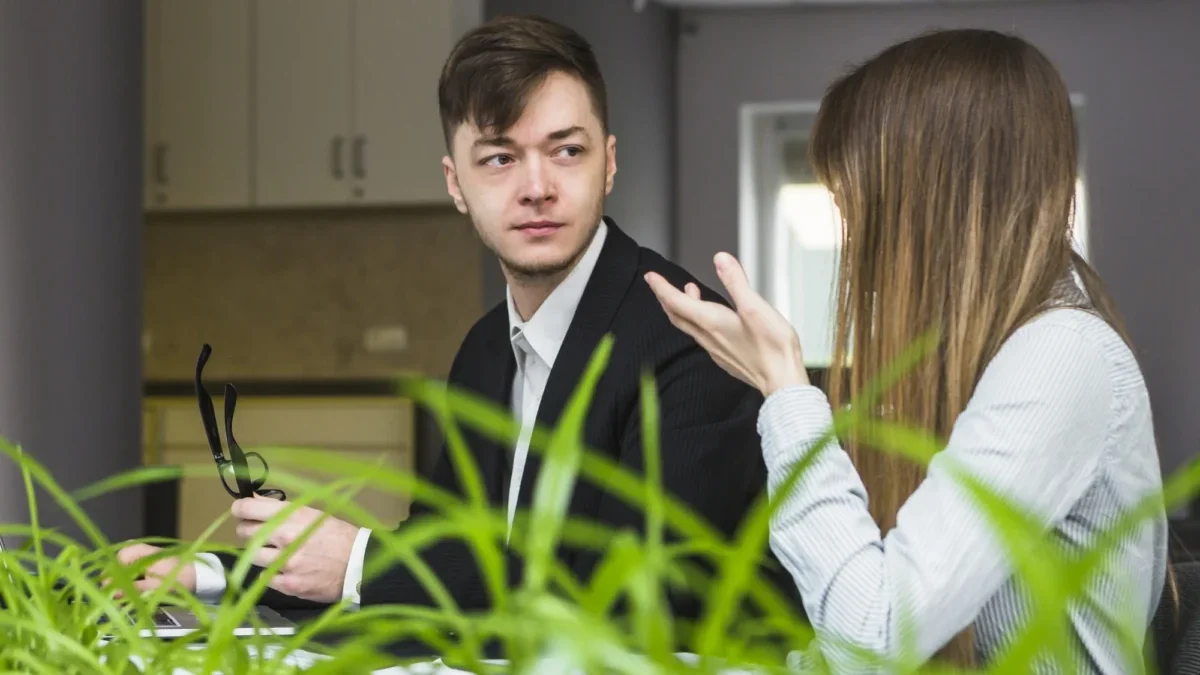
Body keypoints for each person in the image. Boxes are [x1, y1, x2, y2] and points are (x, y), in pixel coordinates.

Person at [117, 13, 800, 644]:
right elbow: (443, 553)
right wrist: (212, 574)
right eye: (499, 158)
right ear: (455, 182)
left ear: (610, 163)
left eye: (566, 151)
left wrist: (358, 559)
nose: (537, 186)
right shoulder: (483, 349)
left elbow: (634, 598)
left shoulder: (689, 335)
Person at [645, 28, 1170, 674]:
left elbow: (876, 633)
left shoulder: (1061, 355)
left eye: (854, 203)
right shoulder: (989, 357)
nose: (853, 238)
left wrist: (786, 393)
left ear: (925, 201)